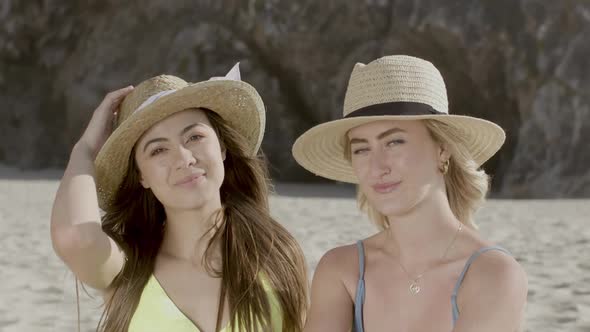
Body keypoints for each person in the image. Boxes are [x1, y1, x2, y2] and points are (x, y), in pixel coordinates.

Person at [51, 64, 308, 332]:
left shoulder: (276, 253)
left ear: (221, 147)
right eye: (159, 150)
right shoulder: (127, 268)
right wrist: (85, 150)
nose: (184, 159)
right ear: (142, 177)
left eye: (194, 136)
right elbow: (75, 237)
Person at [293, 55, 527, 332]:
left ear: (442, 149)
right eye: (361, 149)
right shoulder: (341, 269)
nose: (377, 167)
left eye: (394, 142)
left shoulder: (492, 274)